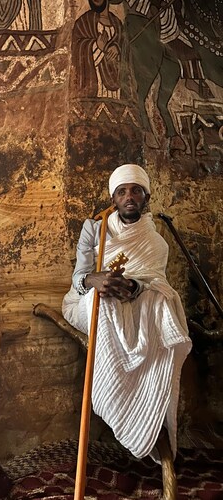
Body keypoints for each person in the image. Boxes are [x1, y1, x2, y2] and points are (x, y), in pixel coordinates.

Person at [62, 164, 192, 463]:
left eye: (136, 191)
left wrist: (133, 286)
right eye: (122, 192)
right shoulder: (94, 229)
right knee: (104, 299)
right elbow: (79, 277)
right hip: (87, 301)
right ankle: (112, 397)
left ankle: (148, 402)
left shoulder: (156, 242)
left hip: (136, 301)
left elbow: (154, 280)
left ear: (147, 197)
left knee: (161, 301)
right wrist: (93, 280)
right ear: (114, 198)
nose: (129, 197)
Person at [123, 0, 212, 99]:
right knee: (189, 52)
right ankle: (191, 82)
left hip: (173, 32)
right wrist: (161, 4)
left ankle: (193, 80)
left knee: (193, 48)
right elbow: (153, 6)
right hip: (165, 36)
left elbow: (174, 11)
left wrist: (176, 0)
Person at [72, 0, 124, 99]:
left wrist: (117, 48)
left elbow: (126, 52)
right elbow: (76, 51)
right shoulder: (84, 22)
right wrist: (96, 46)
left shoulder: (118, 25)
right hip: (93, 85)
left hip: (115, 90)